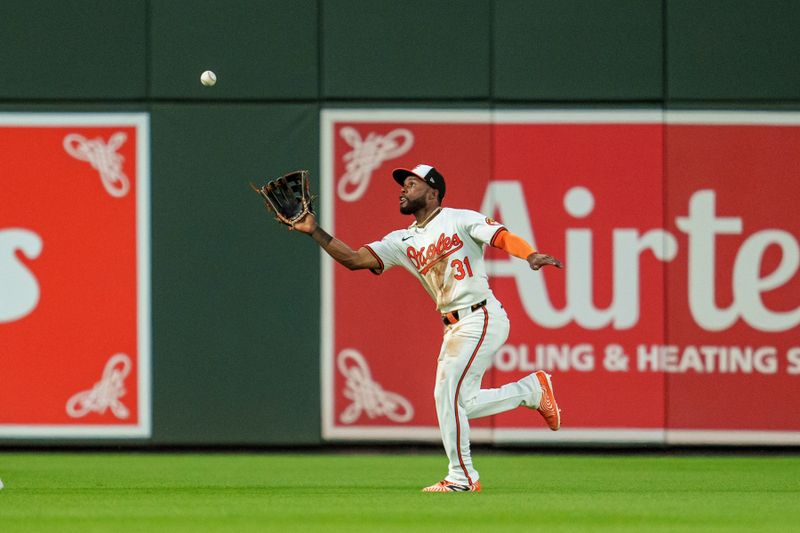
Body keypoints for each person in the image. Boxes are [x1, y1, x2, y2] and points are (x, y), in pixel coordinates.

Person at [293, 163, 563, 492]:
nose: (402, 190)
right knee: (462, 401)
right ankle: (531, 391)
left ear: (433, 193)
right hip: (453, 326)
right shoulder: (401, 240)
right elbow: (353, 259)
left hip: (481, 314)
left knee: (444, 392)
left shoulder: (459, 219)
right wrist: (314, 230)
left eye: (411, 184)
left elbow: (500, 237)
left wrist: (530, 255)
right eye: (403, 185)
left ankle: (462, 478)